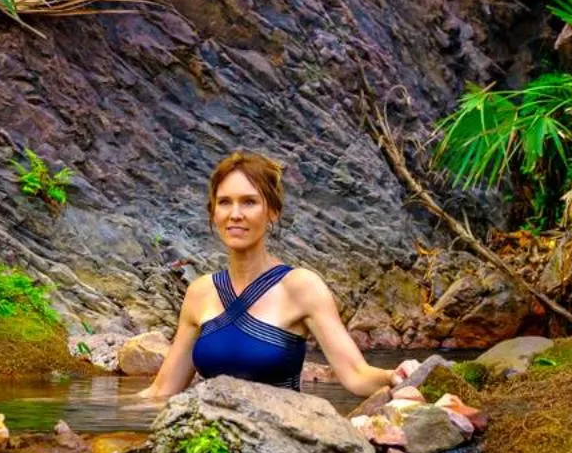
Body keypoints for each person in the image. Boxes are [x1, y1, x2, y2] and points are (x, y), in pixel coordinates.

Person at [138, 151, 416, 401]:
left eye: (249, 202)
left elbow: (356, 375)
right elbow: (162, 390)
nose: (235, 214)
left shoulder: (301, 287)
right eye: (224, 202)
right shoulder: (201, 292)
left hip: (280, 444)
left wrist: (393, 377)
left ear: (272, 211)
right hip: (211, 443)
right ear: (213, 213)